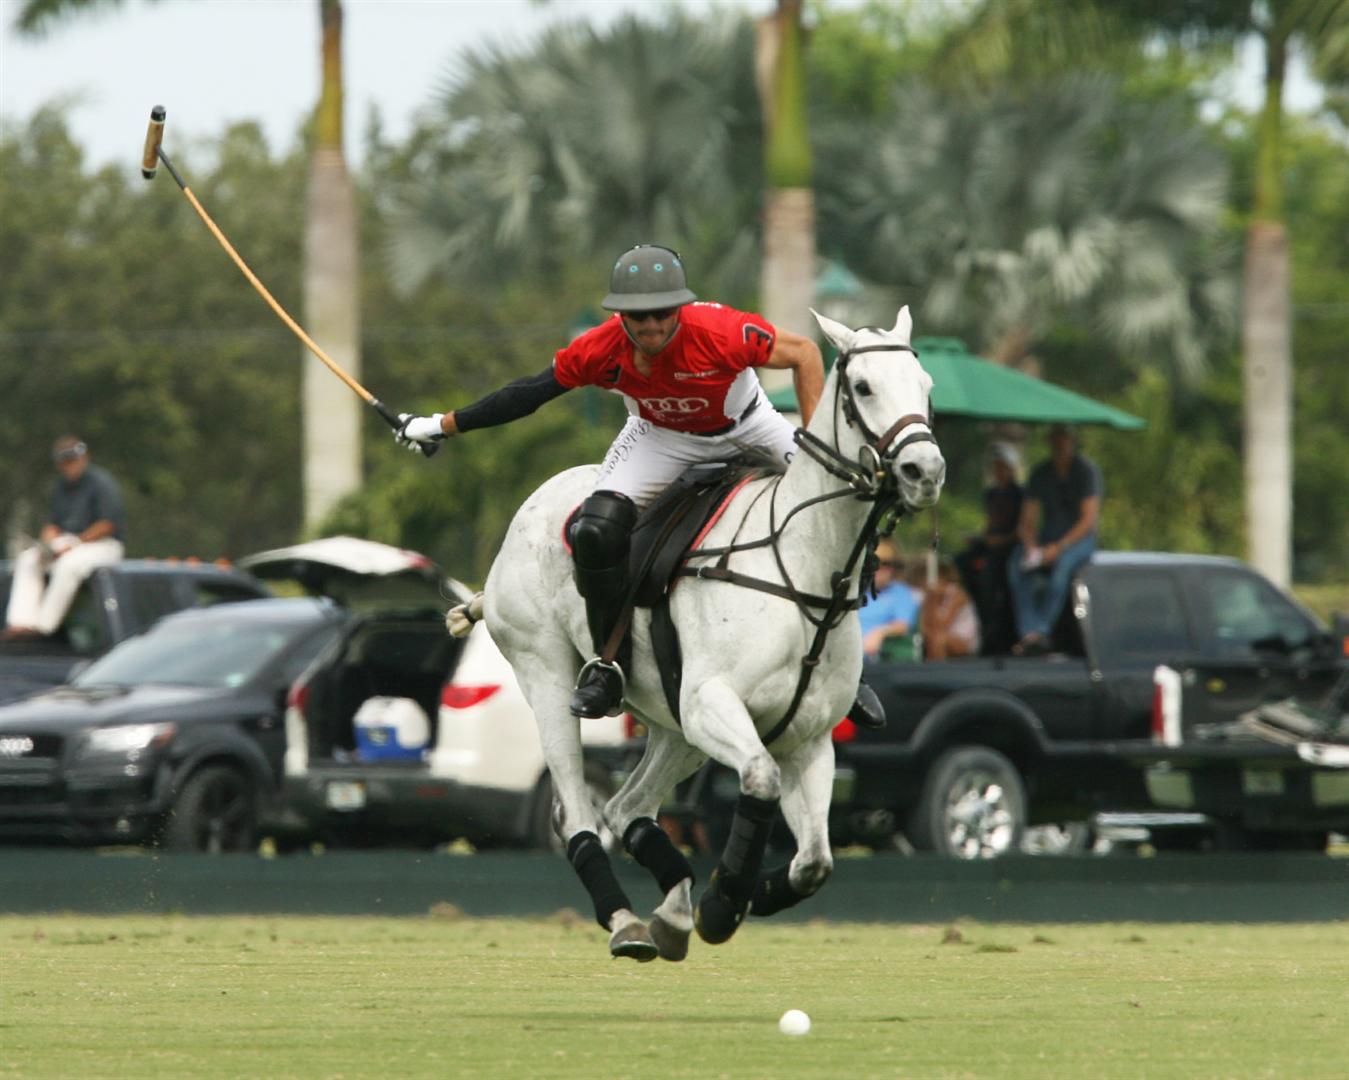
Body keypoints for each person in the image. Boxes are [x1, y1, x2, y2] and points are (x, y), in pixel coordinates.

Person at [395, 244, 886, 727]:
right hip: (660, 437)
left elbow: (804, 353)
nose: (651, 326)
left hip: (749, 426)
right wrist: (440, 425)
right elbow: (529, 393)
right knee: (595, 531)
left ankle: (849, 673)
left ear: (681, 307)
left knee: (842, 501)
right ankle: (608, 666)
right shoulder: (600, 347)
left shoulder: (721, 330)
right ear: (620, 315)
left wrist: (814, 442)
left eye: (662, 314)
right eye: (638, 316)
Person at [3, 436, 126, 640]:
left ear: (83, 457)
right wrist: (47, 545)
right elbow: (53, 525)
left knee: (68, 565)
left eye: (73, 460)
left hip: (103, 545)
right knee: (28, 559)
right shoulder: (62, 487)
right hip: (69, 543)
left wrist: (74, 543)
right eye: (65, 461)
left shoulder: (101, 482)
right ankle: (21, 623)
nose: (69, 465)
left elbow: (107, 524)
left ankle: (43, 627)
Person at [1007, 423, 1102, 655]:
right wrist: (1031, 547)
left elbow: (1088, 520)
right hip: (1049, 537)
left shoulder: (1086, 471)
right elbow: (1027, 520)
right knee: (1016, 565)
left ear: (1072, 441)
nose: (1060, 444)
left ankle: (1042, 631)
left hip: (1078, 539)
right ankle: (1028, 632)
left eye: (1064, 438)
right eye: (1056, 438)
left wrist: (1059, 548)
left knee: (1062, 570)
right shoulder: (1041, 473)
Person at [954, 440, 1023, 655]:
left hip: (1010, 547)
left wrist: (1000, 540)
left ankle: (996, 632)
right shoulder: (992, 493)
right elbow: (991, 525)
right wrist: (980, 538)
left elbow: (1020, 530)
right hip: (991, 545)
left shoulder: (1019, 494)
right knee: (961, 562)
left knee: (992, 577)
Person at [858, 539, 921, 662]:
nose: (879, 568)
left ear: (894, 567)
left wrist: (879, 632)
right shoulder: (855, 592)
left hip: (878, 660)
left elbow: (902, 625)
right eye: (874, 563)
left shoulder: (901, 593)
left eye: (886, 564)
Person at [918, 557, 980, 660]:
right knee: (930, 637)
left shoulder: (958, 594)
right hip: (943, 636)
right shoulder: (930, 596)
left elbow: (942, 624)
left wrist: (933, 600)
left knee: (939, 639)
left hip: (965, 639)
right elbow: (926, 624)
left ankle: (938, 669)